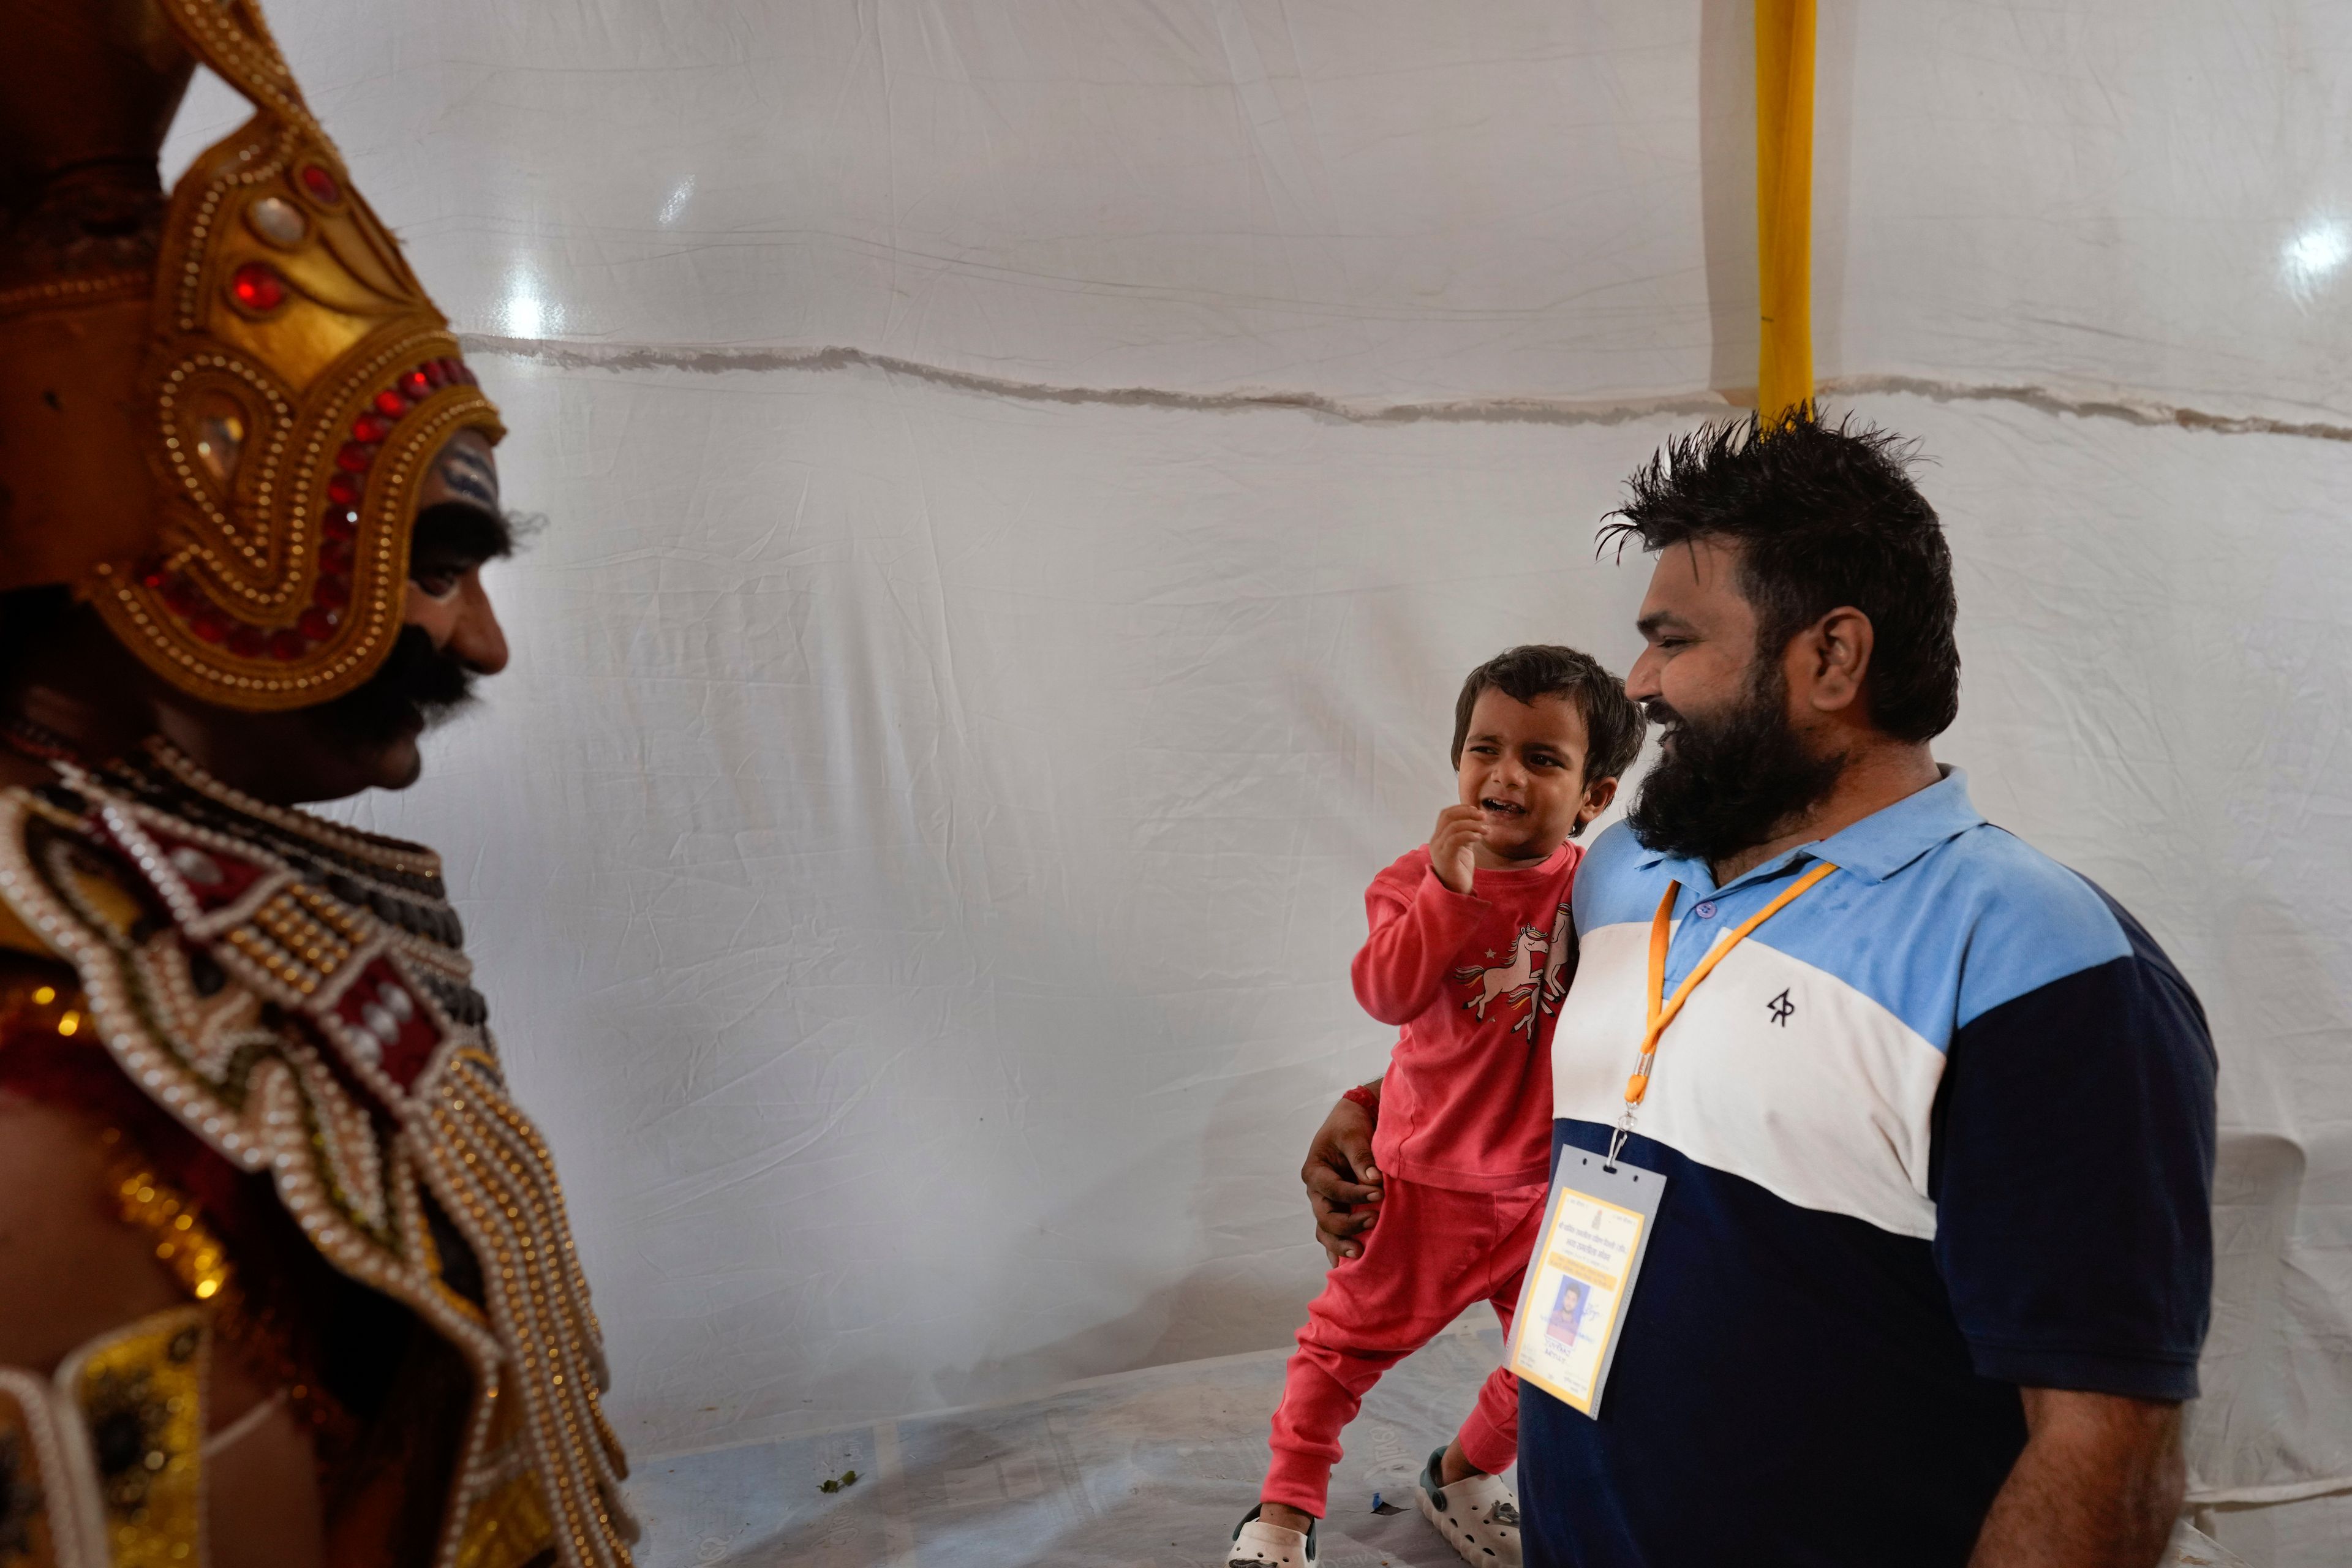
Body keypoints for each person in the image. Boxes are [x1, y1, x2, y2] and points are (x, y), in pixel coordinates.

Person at [1305, 412, 2215, 1567]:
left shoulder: (2045, 966)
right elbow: (1558, 1038)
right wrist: (1377, 1103)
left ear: (1832, 657)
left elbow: (2101, 1449)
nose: (1638, 684)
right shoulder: (1628, 872)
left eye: (1672, 641)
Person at [0, 4, 633, 1566]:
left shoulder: (149, 960)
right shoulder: (49, 1097)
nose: (481, 641)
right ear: (197, 549)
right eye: (435, 559)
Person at [1230, 647, 1644, 1568]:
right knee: (1342, 1352)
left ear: (1595, 796)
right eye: (1484, 749)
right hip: (1426, 1183)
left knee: (1564, 1362)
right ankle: (1283, 1515)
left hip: (1551, 1188)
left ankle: (1461, 1474)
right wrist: (1446, 899)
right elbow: (1386, 993)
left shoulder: (1601, 889)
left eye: (1543, 759)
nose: (1503, 775)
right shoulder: (1411, 882)